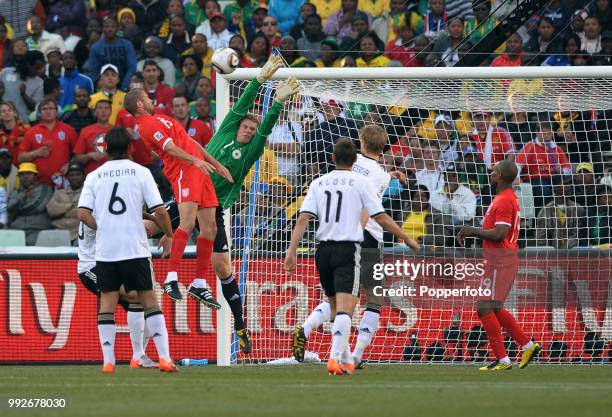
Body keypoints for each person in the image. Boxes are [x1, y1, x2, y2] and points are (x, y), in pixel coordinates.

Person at [141, 55, 298, 354]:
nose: (249, 130)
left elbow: (265, 129)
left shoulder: (252, 151)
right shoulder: (226, 131)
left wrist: (277, 104)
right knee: (151, 226)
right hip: (190, 195)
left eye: (252, 129)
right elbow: (241, 106)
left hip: (213, 209)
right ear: (237, 126)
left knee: (224, 267)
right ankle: (119, 235)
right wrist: (260, 79)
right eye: (246, 126)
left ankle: (240, 326)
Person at [284, 138, 419, 375]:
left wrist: (291, 251)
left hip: (323, 249)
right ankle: (343, 357)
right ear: (354, 159)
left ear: (333, 158)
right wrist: (405, 237)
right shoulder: (364, 180)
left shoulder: (318, 182)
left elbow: (303, 217)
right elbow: (380, 216)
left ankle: (328, 345)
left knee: (335, 304)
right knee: (365, 301)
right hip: (354, 245)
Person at [124, 76, 233, 311]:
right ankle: (171, 278)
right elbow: (170, 148)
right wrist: (195, 160)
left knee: (210, 228)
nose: (151, 99)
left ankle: (199, 283)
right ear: (140, 104)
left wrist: (215, 164)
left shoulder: (160, 118)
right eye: (146, 97)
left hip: (199, 170)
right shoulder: (146, 126)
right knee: (186, 222)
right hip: (184, 171)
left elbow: (190, 142)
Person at [77, 126, 176, 373]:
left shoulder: (94, 176)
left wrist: (103, 229)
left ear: (106, 148)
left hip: (106, 252)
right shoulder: (141, 172)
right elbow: (160, 210)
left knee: (107, 303)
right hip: (135, 249)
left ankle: (108, 361)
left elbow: (82, 213)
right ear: (131, 147)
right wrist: (169, 234)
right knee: (149, 300)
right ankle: (163, 358)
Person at [458, 160, 541, 371]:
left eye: (495, 170)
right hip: (497, 260)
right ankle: (525, 346)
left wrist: (472, 230)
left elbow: (499, 234)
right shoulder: (503, 198)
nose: (491, 172)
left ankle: (506, 357)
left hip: (501, 260)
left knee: (485, 307)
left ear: (502, 175)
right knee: (492, 307)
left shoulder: (504, 200)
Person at [18, 97, 77, 187]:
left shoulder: (68, 129)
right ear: (39, 113)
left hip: (63, 181)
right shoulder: (31, 132)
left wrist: (70, 164)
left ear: (56, 111)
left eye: (51, 108)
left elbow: (78, 154)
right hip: (39, 183)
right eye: (44, 109)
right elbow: (20, 157)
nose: (48, 111)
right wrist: (35, 153)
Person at [7, 162, 53, 245]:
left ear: (35, 176)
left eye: (29, 174)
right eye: (22, 174)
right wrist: (24, 196)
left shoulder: (45, 189)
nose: (25, 176)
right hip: (17, 229)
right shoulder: (16, 192)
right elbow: (10, 208)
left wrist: (17, 210)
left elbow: (36, 207)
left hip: (38, 229)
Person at [88, 17, 136, 91]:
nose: (109, 29)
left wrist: (125, 84)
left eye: (112, 26)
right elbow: (94, 70)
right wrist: (100, 83)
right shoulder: (95, 47)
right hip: (103, 86)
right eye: (106, 27)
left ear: (118, 28)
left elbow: (132, 66)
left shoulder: (127, 44)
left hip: (125, 84)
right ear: (102, 29)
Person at [46, 162, 85, 242]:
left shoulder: (88, 193)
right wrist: (71, 206)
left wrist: (62, 212)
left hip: (79, 233)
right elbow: (51, 210)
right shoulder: (59, 193)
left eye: (78, 174)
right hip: (58, 232)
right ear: (67, 177)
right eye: (72, 175)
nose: (75, 177)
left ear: (83, 176)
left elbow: (86, 213)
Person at [73, 100, 113, 174]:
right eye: (100, 108)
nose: (103, 111)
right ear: (95, 112)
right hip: (93, 175)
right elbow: (77, 158)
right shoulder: (85, 131)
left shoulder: (117, 131)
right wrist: (89, 156)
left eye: (106, 108)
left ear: (111, 112)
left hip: (113, 174)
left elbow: (128, 156)